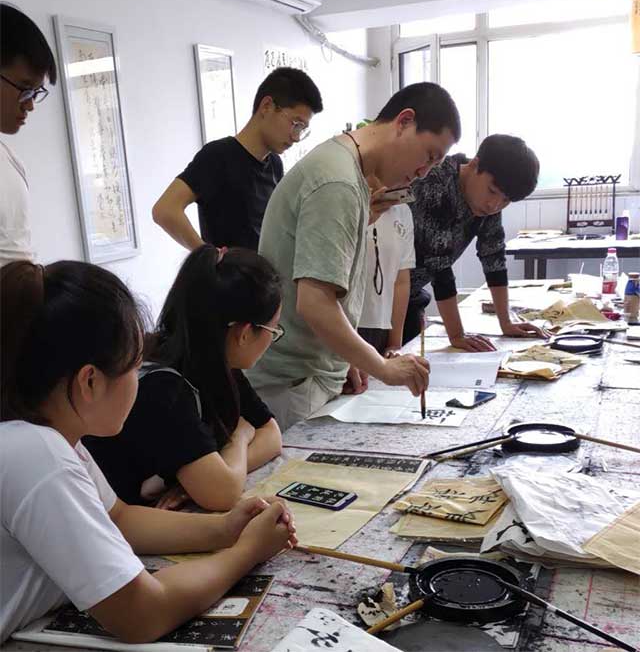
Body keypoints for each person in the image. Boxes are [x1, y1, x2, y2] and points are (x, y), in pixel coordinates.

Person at [0, 259, 296, 645]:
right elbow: (142, 613)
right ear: (90, 382)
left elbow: (119, 519)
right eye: (136, 366)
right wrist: (247, 551)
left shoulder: (46, 435)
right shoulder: (38, 456)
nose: (140, 380)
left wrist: (225, 528)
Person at [246, 82, 462, 430]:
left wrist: (344, 356)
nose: (424, 172)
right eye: (429, 155)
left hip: (311, 374)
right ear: (404, 121)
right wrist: (383, 366)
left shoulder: (346, 170)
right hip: (294, 383)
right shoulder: (338, 182)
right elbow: (315, 303)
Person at [85, 245, 283, 512]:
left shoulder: (215, 359)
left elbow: (271, 435)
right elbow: (222, 492)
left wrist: (207, 475)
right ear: (245, 333)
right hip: (117, 523)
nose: (273, 338)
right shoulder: (164, 388)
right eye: (274, 329)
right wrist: (240, 436)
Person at [152, 67, 323, 251]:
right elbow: (165, 210)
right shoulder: (218, 156)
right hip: (230, 270)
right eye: (296, 124)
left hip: (264, 269)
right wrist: (208, 256)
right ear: (267, 106)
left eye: (302, 129)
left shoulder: (275, 164)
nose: (296, 137)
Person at [407, 134, 543, 351]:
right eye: (492, 191)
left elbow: (493, 256)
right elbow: (439, 267)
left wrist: (506, 322)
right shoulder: (436, 183)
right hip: (377, 292)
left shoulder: (487, 203)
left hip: (409, 295)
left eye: (506, 200)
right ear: (474, 165)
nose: (494, 205)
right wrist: (457, 335)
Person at [0, 3, 57, 267]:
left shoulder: (9, 159)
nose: (30, 104)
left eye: (35, 92)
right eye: (24, 89)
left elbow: (18, 258)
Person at [357, 199, 415, 357]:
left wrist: (395, 343)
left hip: (381, 326)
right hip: (345, 323)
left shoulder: (402, 210)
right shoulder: (350, 200)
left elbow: (401, 281)